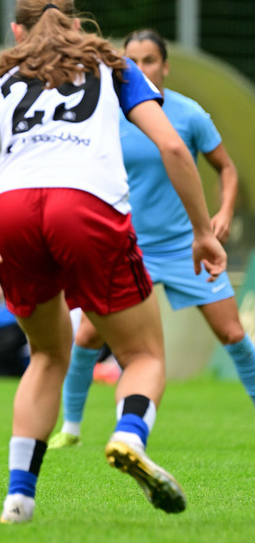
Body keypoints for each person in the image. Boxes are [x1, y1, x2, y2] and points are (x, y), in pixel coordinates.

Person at [0, 0, 226, 524]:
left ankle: (18, 500)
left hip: (10, 211)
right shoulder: (114, 66)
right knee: (144, 355)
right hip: (85, 206)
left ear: (16, 30)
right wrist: (203, 230)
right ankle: (129, 436)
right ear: (76, 23)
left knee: (48, 355)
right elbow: (171, 144)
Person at [50, 29, 254, 448]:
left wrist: (224, 212)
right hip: (126, 248)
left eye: (149, 61)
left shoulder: (188, 114)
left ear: (165, 66)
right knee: (87, 335)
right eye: (132, 61)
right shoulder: (106, 115)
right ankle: (70, 428)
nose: (139, 68)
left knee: (232, 333)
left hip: (187, 248)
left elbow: (227, 169)